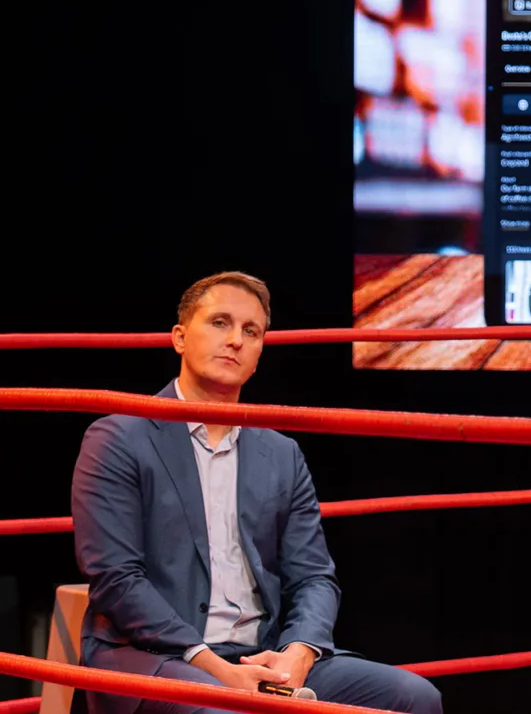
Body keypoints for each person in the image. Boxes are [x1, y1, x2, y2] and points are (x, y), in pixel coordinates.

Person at [71, 272, 442, 714]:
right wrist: (215, 668)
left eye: (251, 331)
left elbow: (314, 577)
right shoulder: (118, 437)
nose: (235, 341)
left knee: (415, 698)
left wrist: (298, 653)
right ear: (180, 337)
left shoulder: (281, 453)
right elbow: (117, 579)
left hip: (262, 655)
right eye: (220, 323)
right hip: (158, 657)